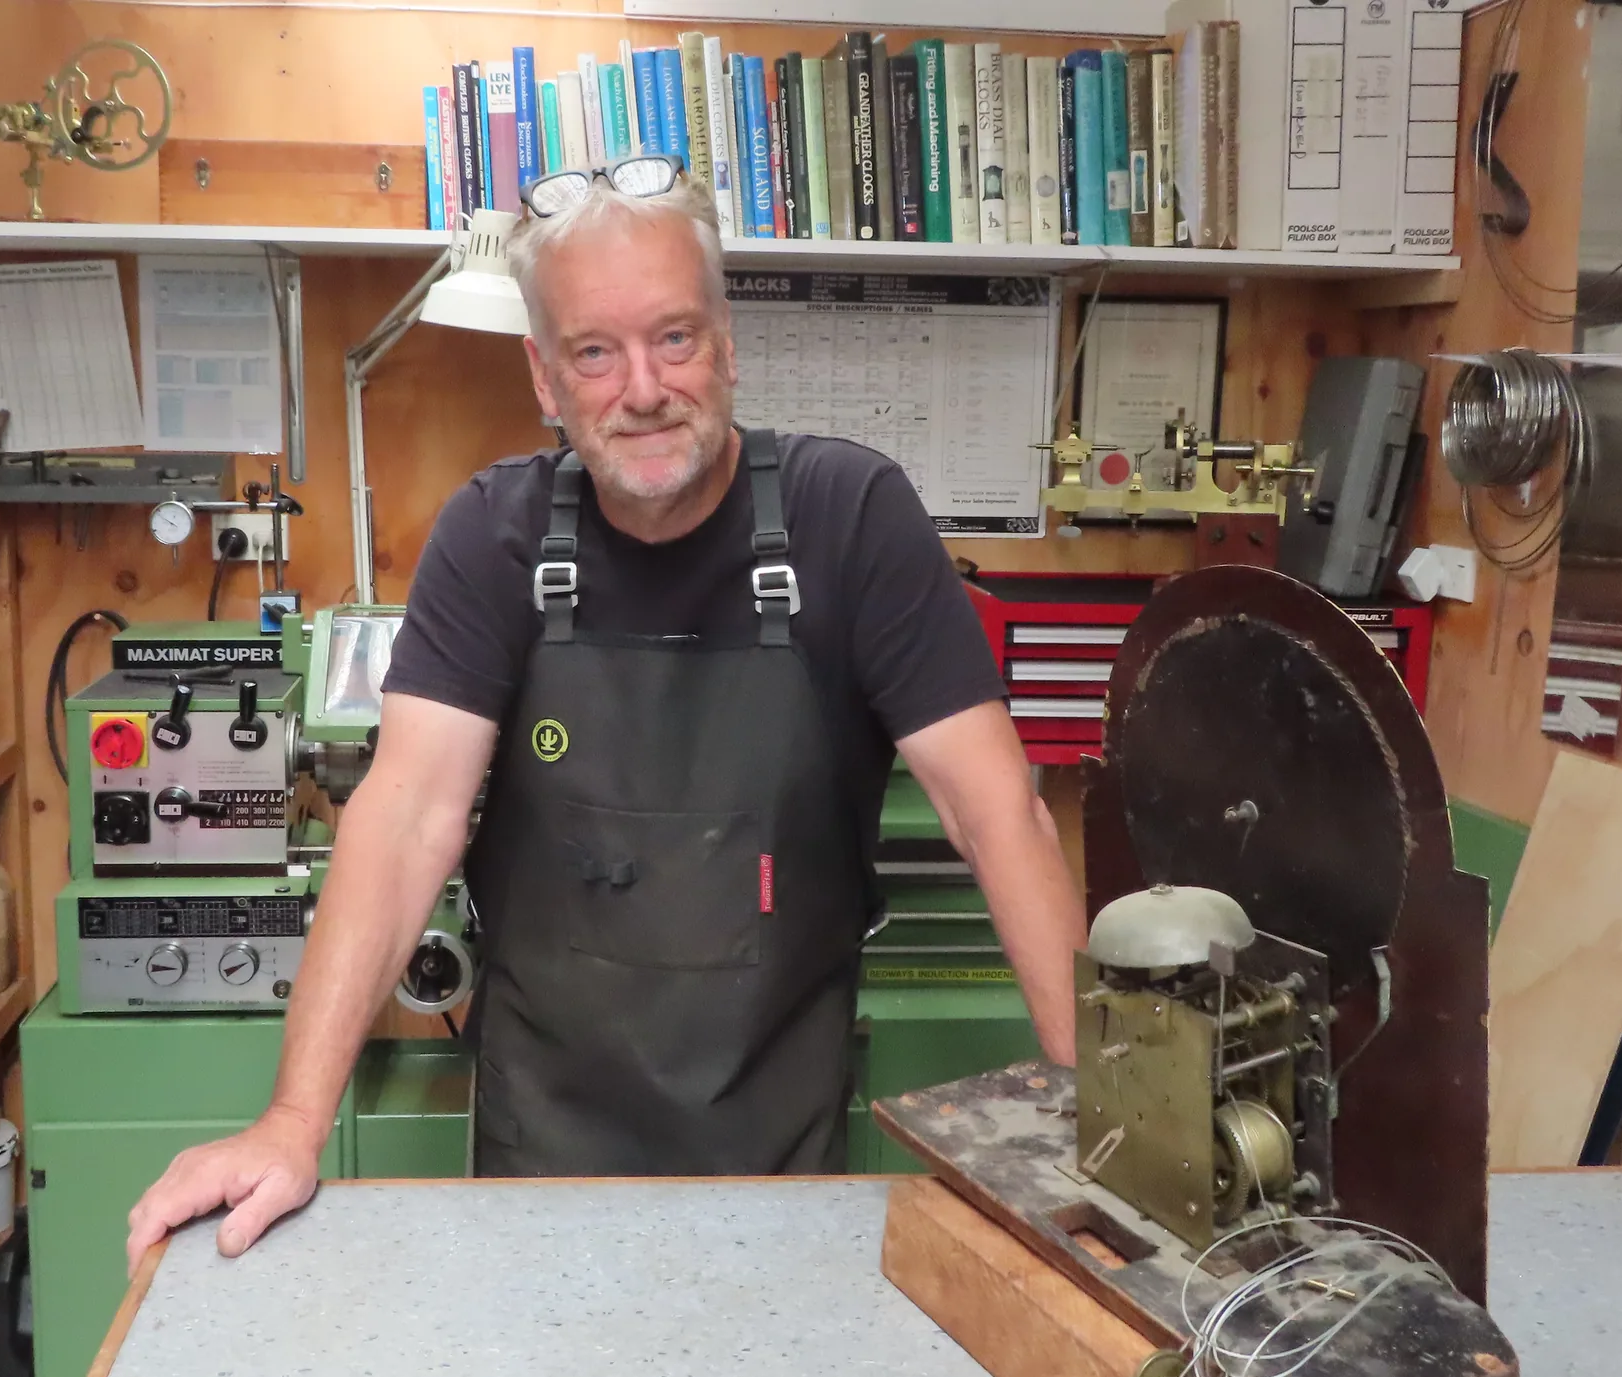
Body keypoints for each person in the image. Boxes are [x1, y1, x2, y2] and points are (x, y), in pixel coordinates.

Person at [126, 159, 1083, 1272]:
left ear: (726, 342)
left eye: (674, 339)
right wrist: (293, 1125)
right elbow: (401, 822)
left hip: (784, 1166)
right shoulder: (494, 536)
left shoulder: (850, 519)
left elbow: (998, 812)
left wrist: (1101, 1115)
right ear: (544, 375)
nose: (642, 388)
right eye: (595, 351)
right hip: (544, 1171)